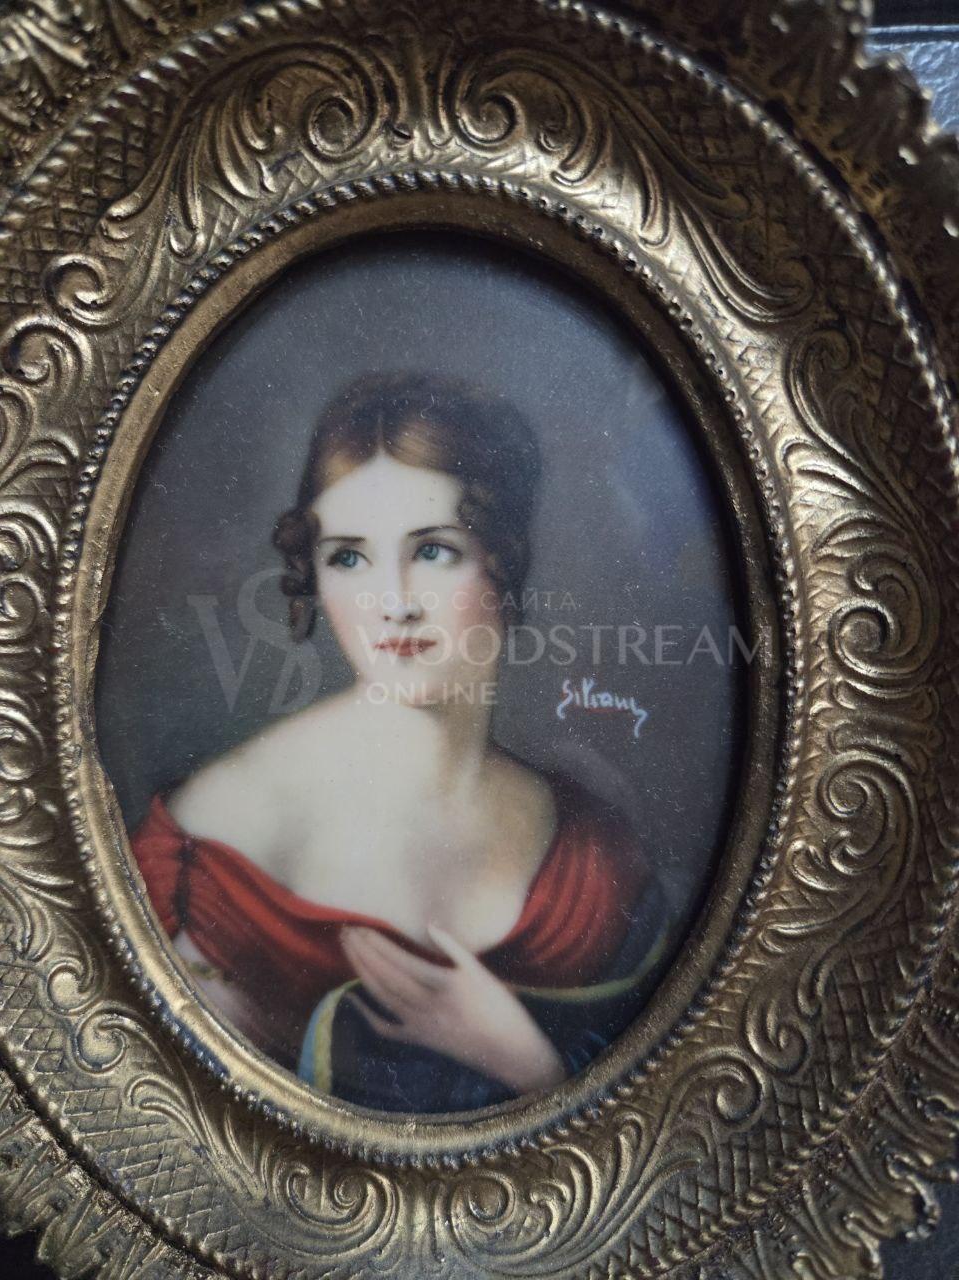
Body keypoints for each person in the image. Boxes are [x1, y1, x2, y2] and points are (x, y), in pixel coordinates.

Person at [129, 372, 671, 1113]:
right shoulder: (214, 845)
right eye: (349, 558)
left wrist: (523, 1060)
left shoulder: (590, 851)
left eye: (434, 550)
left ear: (505, 559)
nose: (394, 603)